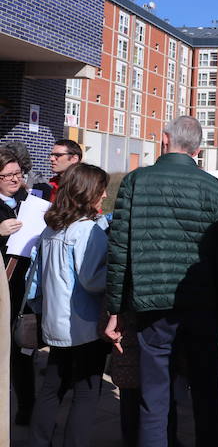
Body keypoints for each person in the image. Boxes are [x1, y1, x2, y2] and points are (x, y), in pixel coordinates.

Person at [104, 116, 218, 446]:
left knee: (153, 397)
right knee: (206, 394)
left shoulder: (135, 181)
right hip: (203, 308)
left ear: (165, 140)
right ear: (198, 149)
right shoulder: (214, 187)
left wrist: (115, 310)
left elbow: (119, 250)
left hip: (152, 307)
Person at [26, 163, 110, 446]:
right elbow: (92, 279)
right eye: (101, 189)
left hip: (55, 322)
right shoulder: (88, 230)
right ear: (88, 192)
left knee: (52, 387)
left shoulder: (52, 228)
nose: (106, 195)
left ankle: (38, 441)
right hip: (84, 325)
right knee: (86, 391)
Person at [0, 148, 35, 426]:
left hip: (26, 287)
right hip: (2, 287)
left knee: (23, 347)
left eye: (18, 174)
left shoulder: (29, 200)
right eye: (8, 175)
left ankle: (27, 407)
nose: (15, 179)